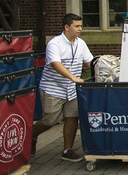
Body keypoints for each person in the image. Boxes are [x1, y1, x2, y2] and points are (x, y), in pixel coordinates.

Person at [31, 13, 94, 162]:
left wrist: (103, 68)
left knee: (72, 116)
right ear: (67, 27)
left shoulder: (81, 43)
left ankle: (67, 150)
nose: (80, 29)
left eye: (81, 26)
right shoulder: (54, 44)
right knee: (50, 120)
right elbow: (55, 64)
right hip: (53, 88)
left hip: (72, 89)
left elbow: (90, 62)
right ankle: (32, 135)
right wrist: (73, 77)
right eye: (76, 26)